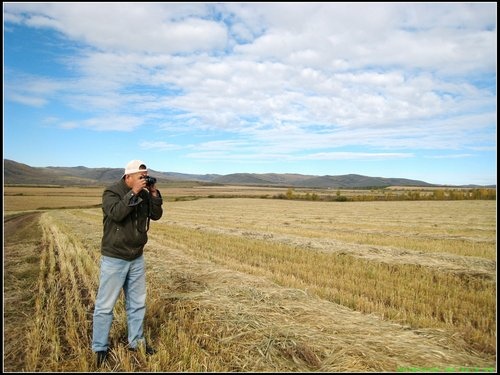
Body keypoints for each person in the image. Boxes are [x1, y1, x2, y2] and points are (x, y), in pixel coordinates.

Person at [92, 160, 163, 368]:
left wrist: (154, 194)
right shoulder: (111, 192)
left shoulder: (144, 193)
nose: (144, 179)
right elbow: (116, 214)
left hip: (136, 257)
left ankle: (136, 342)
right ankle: (100, 348)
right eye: (141, 176)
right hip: (115, 258)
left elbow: (156, 215)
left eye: (146, 176)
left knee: (137, 304)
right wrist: (133, 193)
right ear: (128, 177)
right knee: (105, 306)